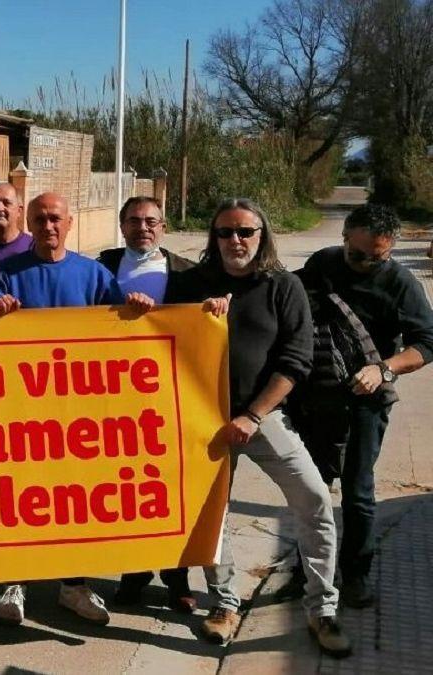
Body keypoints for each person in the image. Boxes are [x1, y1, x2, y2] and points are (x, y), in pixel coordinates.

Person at [164, 198, 351, 658]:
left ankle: (322, 608)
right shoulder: (191, 283)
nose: (235, 241)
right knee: (214, 517)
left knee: (313, 500)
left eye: (246, 232)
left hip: (264, 419)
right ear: (214, 238)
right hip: (203, 423)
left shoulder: (283, 287)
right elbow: (160, 339)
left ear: (262, 236)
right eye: (226, 232)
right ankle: (224, 605)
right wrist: (195, 319)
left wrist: (253, 415)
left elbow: (296, 359)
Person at [0, 192, 124, 628]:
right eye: (40, 219)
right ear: (30, 222)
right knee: (20, 497)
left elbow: (123, 330)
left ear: (71, 222)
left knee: (73, 502)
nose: (48, 226)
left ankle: (73, 585)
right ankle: (15, 580)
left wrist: (137, 311)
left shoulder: (94, 273)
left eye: (56, 218)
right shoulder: (6, 273)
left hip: (76, 414)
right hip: (21, 410)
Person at [290, 204, 433, 608]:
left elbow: (427, 343)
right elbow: (288, 297)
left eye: (379, 256)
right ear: (344, 238)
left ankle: (355, 576)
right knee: (312, 488)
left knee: (357, 491)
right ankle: (306, 573)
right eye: (358, 254)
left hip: (367, 401)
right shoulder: (324, 263)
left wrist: (384, 369)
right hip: (316, 396)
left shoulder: (401, 283)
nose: (368, 263)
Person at [98, 196, 198, 613]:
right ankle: (133, 575)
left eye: (152, 221)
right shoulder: (102, 266)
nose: (144, 227)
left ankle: (178, 579)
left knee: (172, 489)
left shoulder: (189, 273)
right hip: (111, 393)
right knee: (128, 490)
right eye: (135, 220)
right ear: (122, 226)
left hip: (169, 393)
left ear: (164, 225)